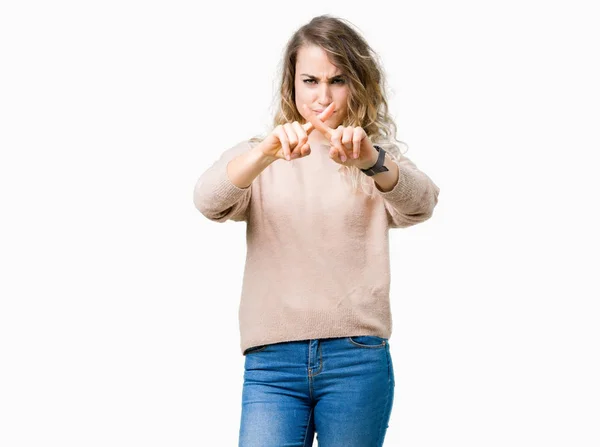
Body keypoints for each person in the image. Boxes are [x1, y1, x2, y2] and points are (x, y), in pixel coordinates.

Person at [193, 14, 440, 447]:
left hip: (356, 359)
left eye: (337, 80)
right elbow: (208, 201)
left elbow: (421, 205)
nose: (323, 96)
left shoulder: (373, 155)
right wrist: (266, 152)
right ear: (292, 84)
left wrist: (371, 161)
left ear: (356, 84)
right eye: (310, 80)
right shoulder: (260, 156)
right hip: (272, 364)